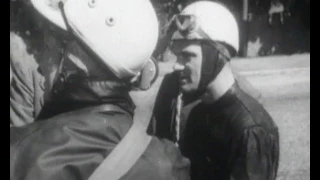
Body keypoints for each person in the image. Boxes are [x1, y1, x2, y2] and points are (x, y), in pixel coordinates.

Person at [10, 0, 190, 179]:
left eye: (52, 44)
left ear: (75, 61)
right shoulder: (169, 165)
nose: (40, 59)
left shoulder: (20, 154)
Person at [151, 1, 280, 179]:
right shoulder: (199, 113)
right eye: (178, 55)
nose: (176, 66)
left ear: (219, 54)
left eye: (188, 56)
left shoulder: (250, 129)